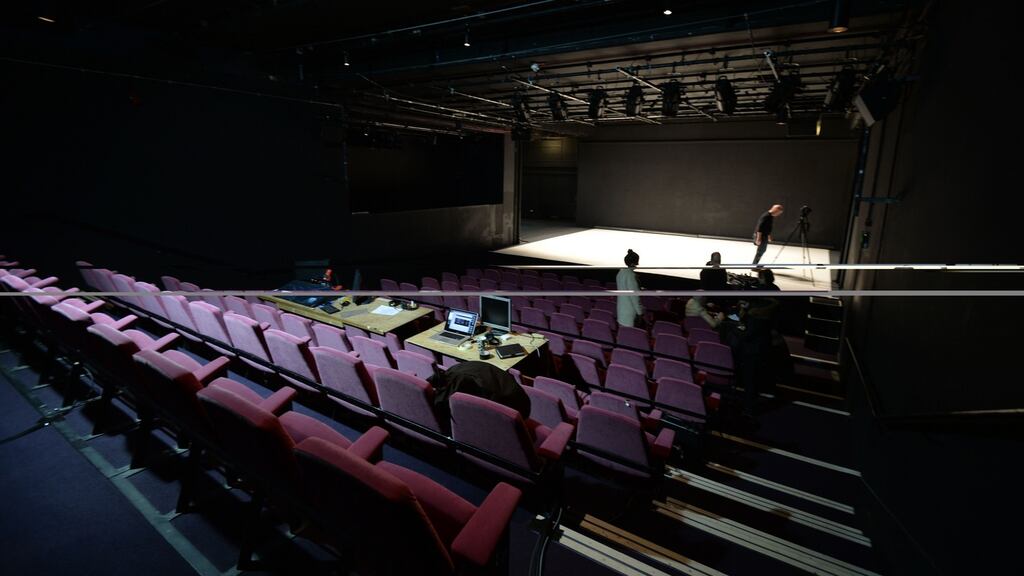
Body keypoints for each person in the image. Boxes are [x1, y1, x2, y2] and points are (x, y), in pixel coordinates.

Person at [616, 249, 644, 327]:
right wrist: (640, 313)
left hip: (621, 311)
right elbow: (634, 297)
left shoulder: (620, 273)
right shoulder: (631, 276)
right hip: (629, 315)